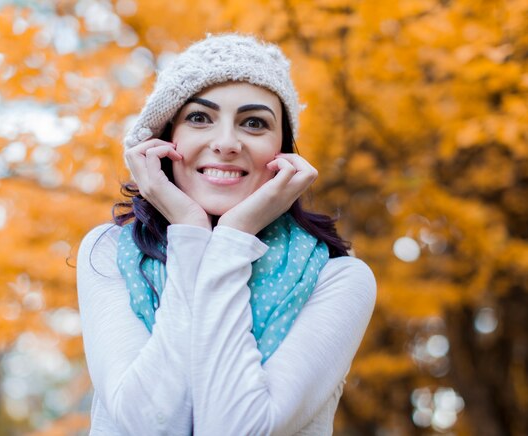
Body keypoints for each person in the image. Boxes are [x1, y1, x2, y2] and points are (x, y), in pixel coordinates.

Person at [77, 33, 376, 435]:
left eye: (254, 123)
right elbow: (150, 425)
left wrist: (234, 237)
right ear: (166, 138)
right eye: (200, 118)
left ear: (282, 152)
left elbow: (238, 428)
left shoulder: (337, 278)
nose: (226, 143)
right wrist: (190, 233)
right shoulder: (109, 251)